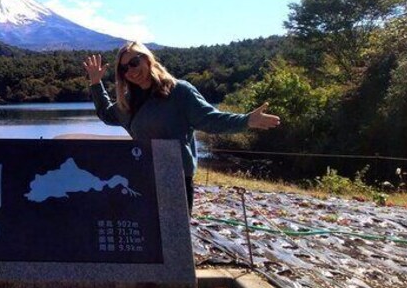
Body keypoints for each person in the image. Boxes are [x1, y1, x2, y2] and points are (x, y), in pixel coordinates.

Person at [83, 40, 280, 213]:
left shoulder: (179, 92)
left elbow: (210, 119)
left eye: (134, 63)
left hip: (176, 176)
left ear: (148, 59)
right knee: (150, 235)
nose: (131, 71)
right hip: (142, 174)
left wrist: (246, 121)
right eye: (123, 69)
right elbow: (107, 114)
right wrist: (96, 83)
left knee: (175, 237)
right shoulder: (128, 102)